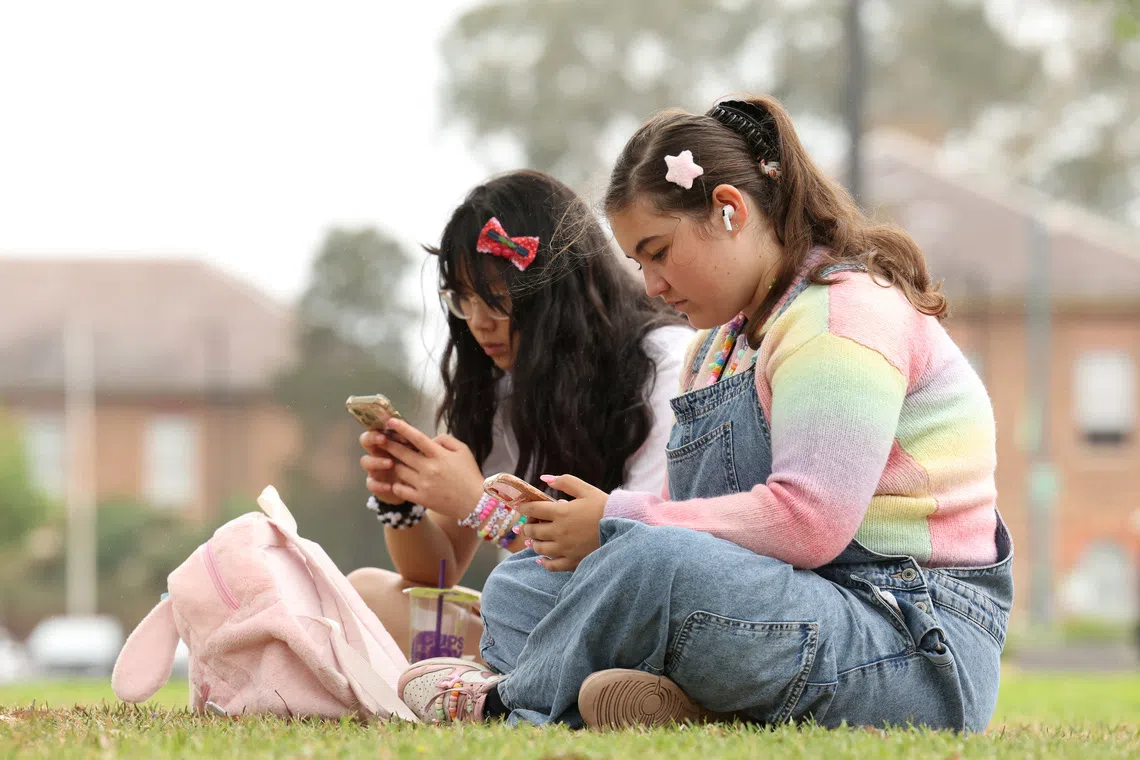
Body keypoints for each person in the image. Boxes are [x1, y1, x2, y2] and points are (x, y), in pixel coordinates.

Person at [396, 96, 1011, 733]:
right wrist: (572, 527)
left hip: (909, 637)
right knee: (522, 582)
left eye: (658, 251)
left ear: (728, 210)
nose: (651, 284)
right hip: (792, 605)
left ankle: (505, 701)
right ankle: (689, 706)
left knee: (648, 564)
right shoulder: (718, 348)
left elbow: (809, 523)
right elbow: (684, 515)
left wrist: (613, 519)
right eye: (638, 262)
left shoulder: (842, 318)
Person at [348, 170, 693, 659]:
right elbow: (435, 576)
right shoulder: (501, 386)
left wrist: (479, 505)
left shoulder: (664, 364)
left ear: (559, 289)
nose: (480, 321)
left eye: (497, 296)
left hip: (642, 618)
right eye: (463, 299)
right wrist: (400, 501)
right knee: (368, 595)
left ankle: (569, 685)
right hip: (546, 622)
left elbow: (635, 560)